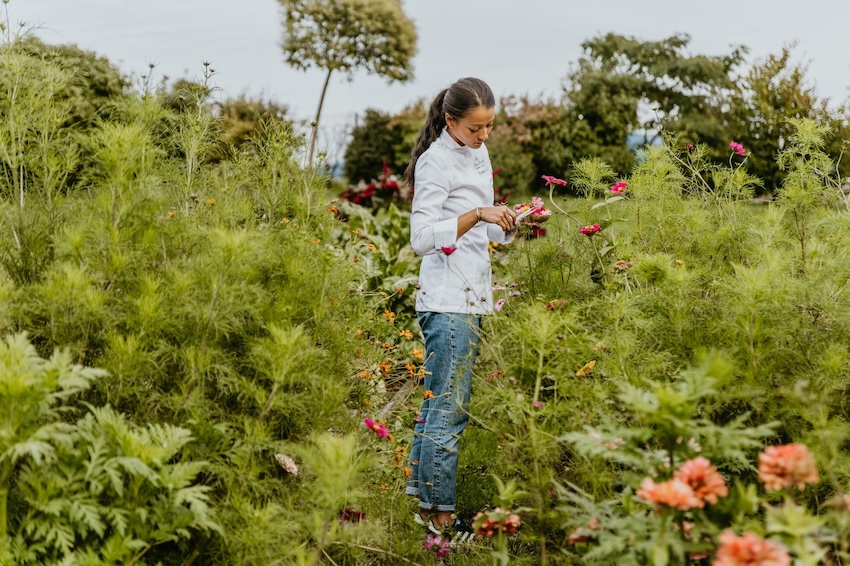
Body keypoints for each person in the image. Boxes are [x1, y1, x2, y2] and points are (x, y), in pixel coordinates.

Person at [403, 77, 518, 542]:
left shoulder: (479, 153)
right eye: (475, 128)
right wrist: (478, 213)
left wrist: (511, 221)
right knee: (449, 412)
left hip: (472, 294)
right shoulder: (435, 163)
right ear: (450, 121)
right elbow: (420, 239)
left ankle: (423, 505)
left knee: (438, 406)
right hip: (446, 300)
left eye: (489, 126)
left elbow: (487, 233)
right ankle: (441, 521)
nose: (484, 136)